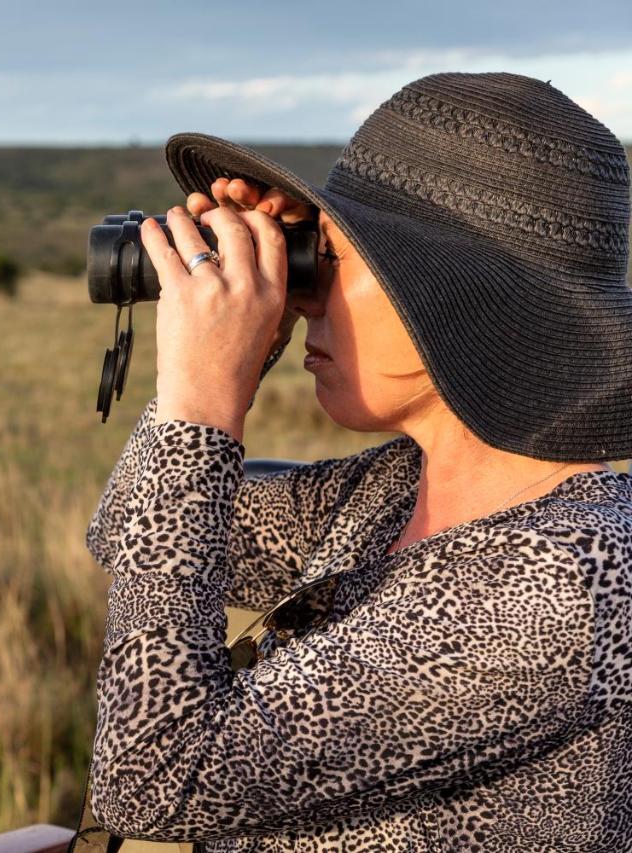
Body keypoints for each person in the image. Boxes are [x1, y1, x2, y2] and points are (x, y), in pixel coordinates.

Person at [78, 71, 632, 851]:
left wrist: (204, 398)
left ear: (451, 293)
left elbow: (155, 783)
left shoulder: (572, 572)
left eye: (326, 261)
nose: (302, 296)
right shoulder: (391, 489)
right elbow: (131, 527)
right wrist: (240, 347)